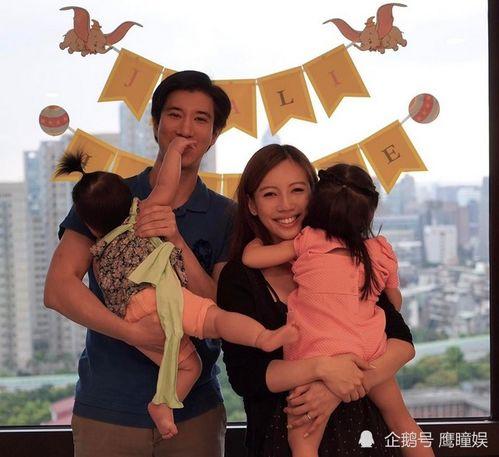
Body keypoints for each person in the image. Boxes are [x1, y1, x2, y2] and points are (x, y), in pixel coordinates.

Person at [45, 70, 237, 457]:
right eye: (174, 115)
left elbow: (222, 308)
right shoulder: (109, 195)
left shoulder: (226, 215)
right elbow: (58, 290)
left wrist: (176, 241)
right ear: (155, 124)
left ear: (214, 135)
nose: (186, 128)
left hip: (194, 413)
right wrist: (131, 332)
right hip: (108, 410)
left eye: (201, 119)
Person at [53, 144, 298, 440]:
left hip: (135, 314)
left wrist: (132, 333)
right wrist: (175, 152)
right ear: (132, 201)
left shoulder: (98, 251)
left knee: (189, 366)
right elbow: (167, 184)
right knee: (218, 320)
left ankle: (163, 405)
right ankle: (262, 337)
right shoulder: (142, 217)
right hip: (167, 296)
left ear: (90, 226)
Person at [218, 144, 419, 457]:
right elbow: (247, 377)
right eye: (270, 194)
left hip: (366, 437)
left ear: (316, 194)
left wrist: (338, 388)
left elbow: (402, 342)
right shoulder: (240, 278)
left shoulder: (355, 253)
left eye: (297, 190)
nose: (286, 205)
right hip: (278, 438)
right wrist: (324, 369)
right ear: (252, 205)